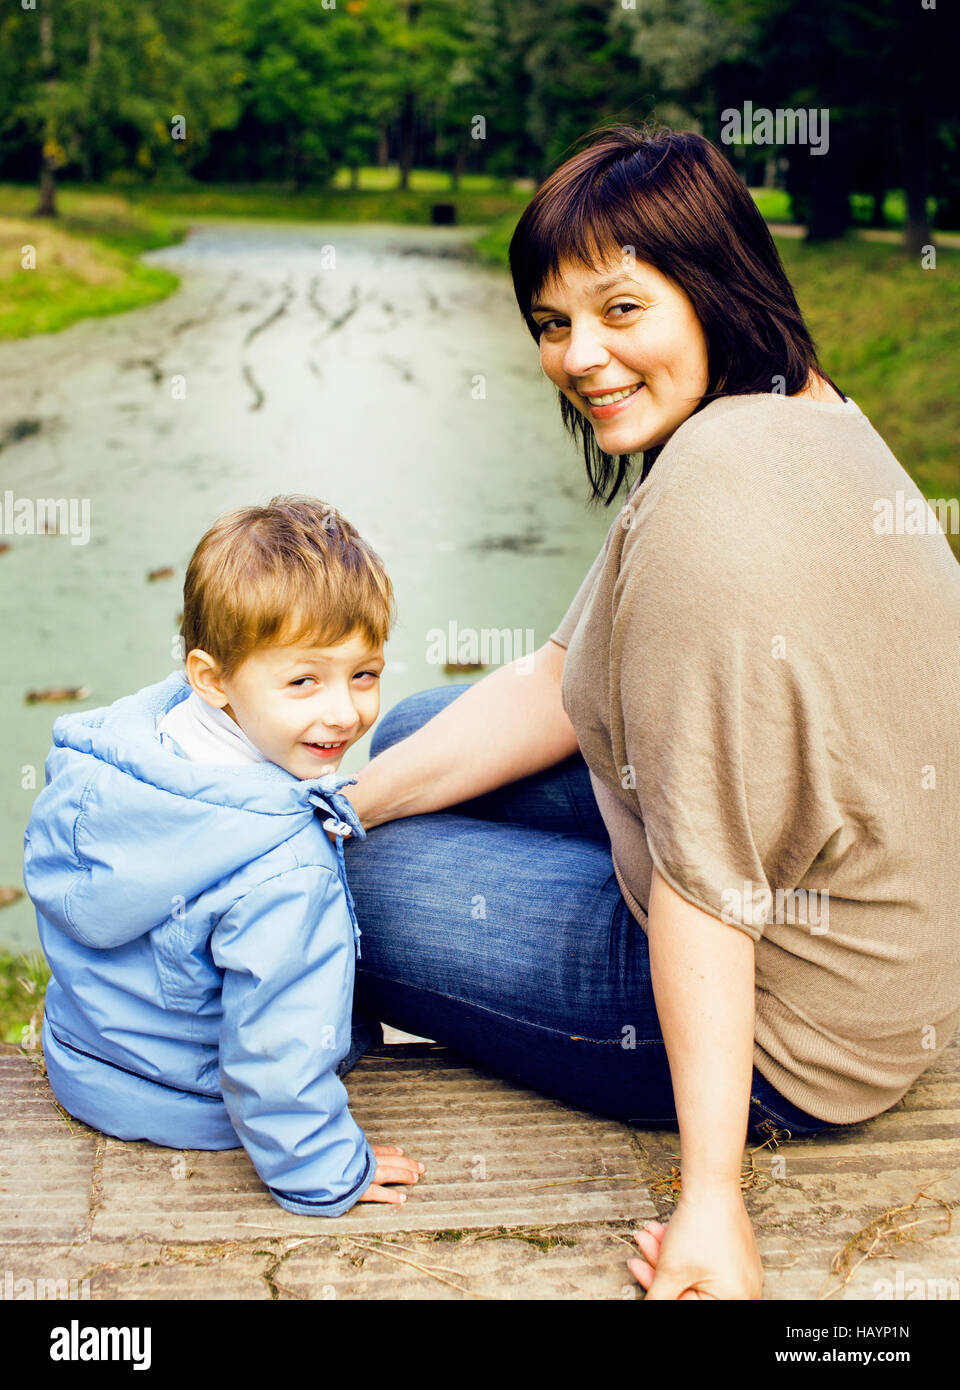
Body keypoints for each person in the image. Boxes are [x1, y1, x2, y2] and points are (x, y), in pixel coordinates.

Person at [338, 125, 960, 1298]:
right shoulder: (797, 406)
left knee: (341, 884)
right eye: (553, 324)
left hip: (801, 1029)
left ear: (714, 286)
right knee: (416, 732)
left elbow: (708, 887)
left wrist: (711, 1204)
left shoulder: (711, 513)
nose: (581, 357)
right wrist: (328, 802)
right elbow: (560, 677)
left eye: (622, 310)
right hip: (870, 907)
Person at [22, 495, 424, 1217]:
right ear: (213, 679)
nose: (343, 712)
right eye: (304, 680)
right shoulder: (282, 864)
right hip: (192, 1101)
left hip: (84, 1059)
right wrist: (327, 1171)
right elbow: (278, 1054)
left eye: (363, 674)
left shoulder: (116, 756)